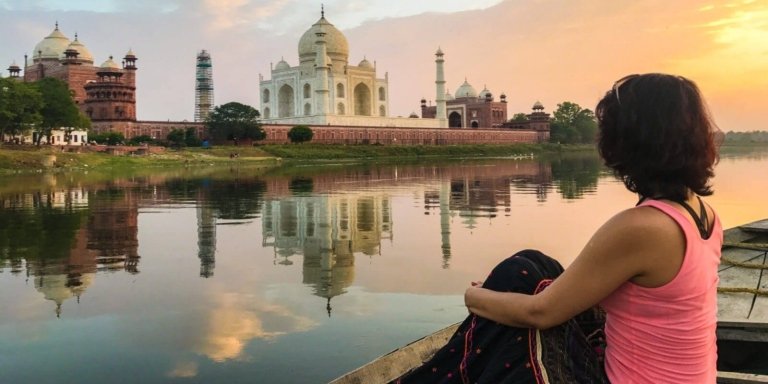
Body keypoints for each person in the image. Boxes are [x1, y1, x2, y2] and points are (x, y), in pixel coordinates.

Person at [394, 73, 722, 383]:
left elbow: (541, 313)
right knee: (530, 267)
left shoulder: (642, 227)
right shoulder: (703, 215)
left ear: (629, 142)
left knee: (516, 287)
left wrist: (475, 297)